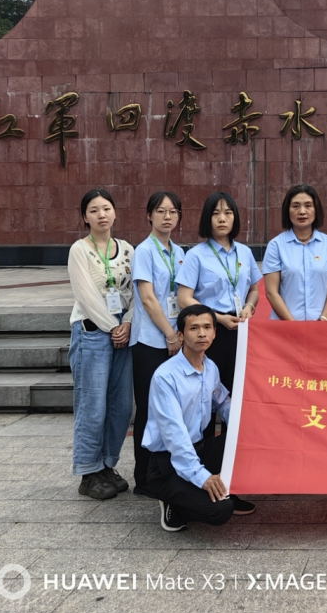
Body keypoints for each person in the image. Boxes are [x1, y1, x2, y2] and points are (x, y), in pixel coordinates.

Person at [142, 304, 256, 531]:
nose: (202, 333)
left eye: (207, 327)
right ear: (180, 335)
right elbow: (175, 435)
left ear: (214, 332)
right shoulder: (166, 377)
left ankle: (215, 490)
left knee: (249, 437)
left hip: (199, 449)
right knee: (221, 510)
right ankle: (173, 500)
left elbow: (223, 402)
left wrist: (248, 426)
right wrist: (202, 477)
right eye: (194, 328)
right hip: (167, 462)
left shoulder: (210, 368)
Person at [67, 189, 134, 500]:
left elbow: (135, 292)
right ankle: (88, 471)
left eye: (106, 208)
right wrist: (112, 326)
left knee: (121, 405)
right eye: (93, 210)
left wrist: (128, 323)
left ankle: (107, 465)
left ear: (115, 212)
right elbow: (86, 296)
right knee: (92, 404)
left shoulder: (128, 249)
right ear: (85, 217)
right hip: (92, 332)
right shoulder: (80, 250)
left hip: (124, 333)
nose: (101, 214)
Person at [176, 192, 261, 398]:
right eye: (216, 214)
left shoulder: (244, 252)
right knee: (207, 391)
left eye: (228, 213)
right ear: (208, 218)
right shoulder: (196, 255)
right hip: (208, 330)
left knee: (236, 389)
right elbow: (184, 298)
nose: (222, 219)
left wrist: (249, 307)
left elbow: (254, 290)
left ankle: (230, 422)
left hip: (240, 328)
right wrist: (218, 319)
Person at [129, 191, 186, 498]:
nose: (167, 216)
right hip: (151, 341)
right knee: (149, 409)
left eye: (173, 211)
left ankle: (165, 472)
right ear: (149, 215)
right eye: (161, 211)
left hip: (175, 339)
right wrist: (170, 334)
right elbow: (148, 298)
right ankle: (144, 478)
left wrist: (179, 335)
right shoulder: (144, 251)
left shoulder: (180, 252)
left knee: (171, 409)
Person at [263, 184, 327, 321]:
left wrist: (323, 319)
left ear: (316, 209)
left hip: (323, 325)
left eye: (308, 205)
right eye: (295, 206)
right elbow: (271, 292)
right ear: (287, 211)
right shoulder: (276, 246)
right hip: (286, 326)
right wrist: (293, 325)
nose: (302, 211)